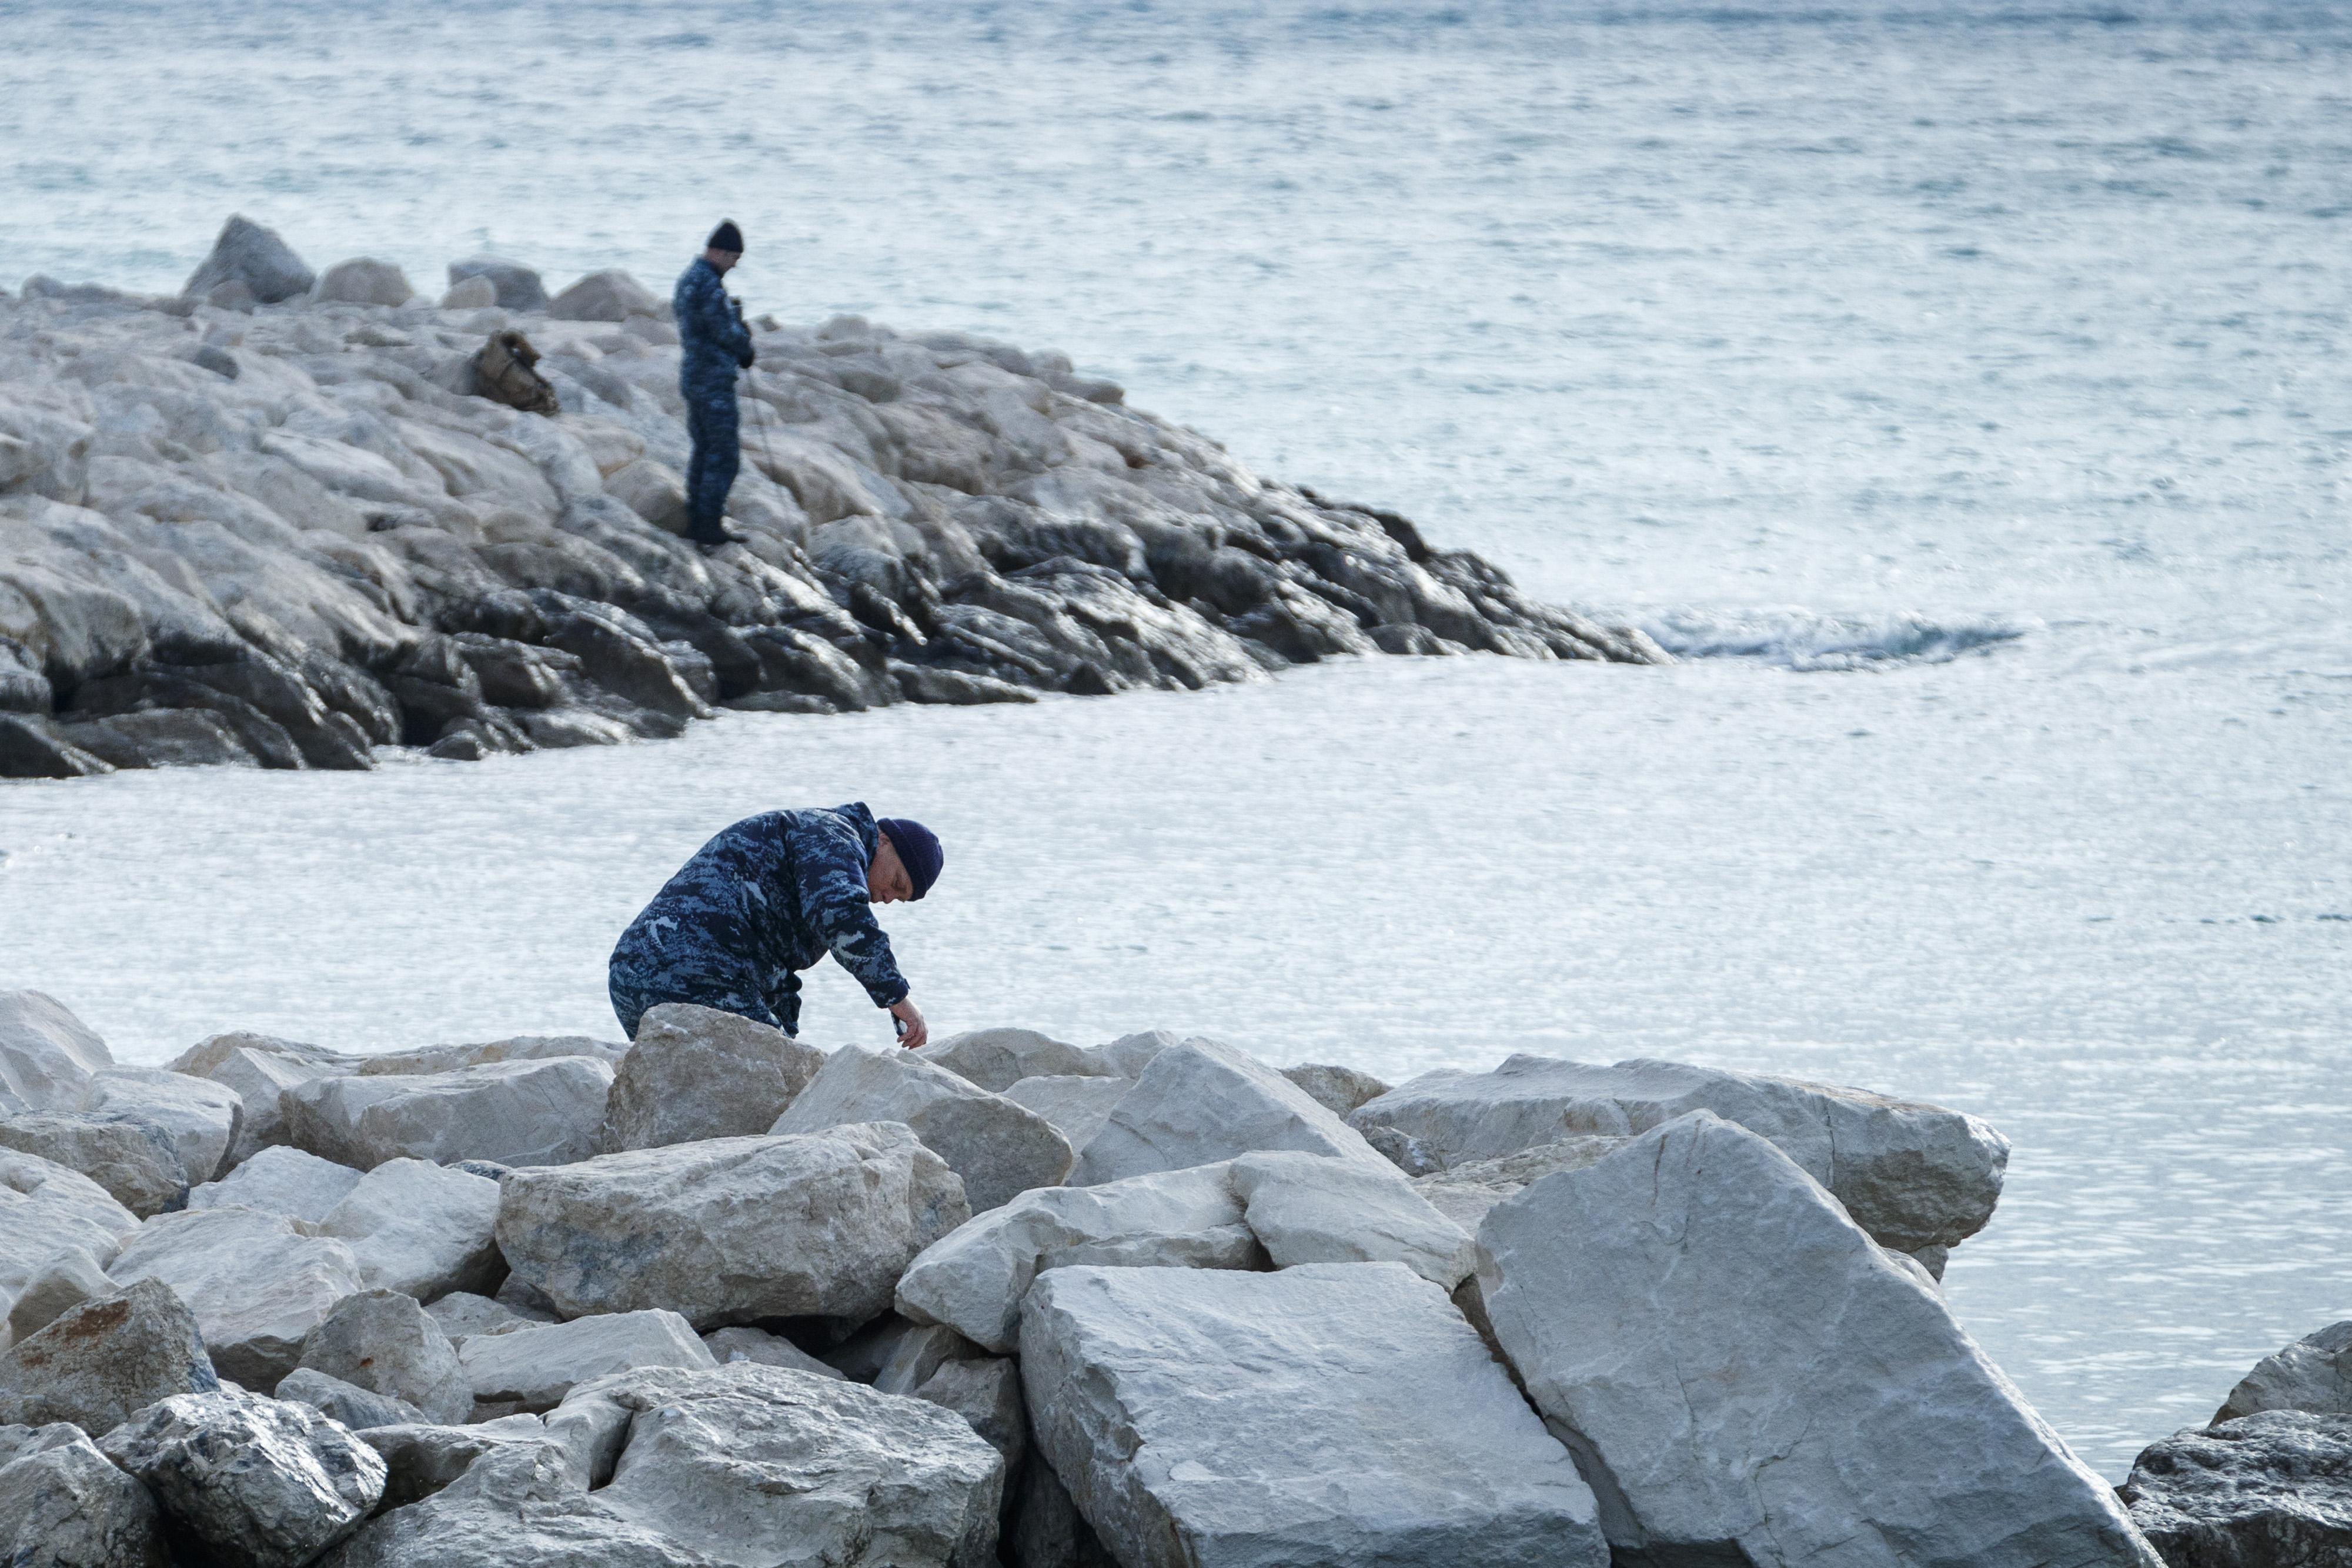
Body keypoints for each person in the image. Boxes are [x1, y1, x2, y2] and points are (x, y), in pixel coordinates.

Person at [607, 803, 941, 1046]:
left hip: (637, 973)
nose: (887, 898)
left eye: (900, 899)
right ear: (883, 840)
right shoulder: (833, 836)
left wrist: (786, 1032)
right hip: (693, 972)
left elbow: (770, 965)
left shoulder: (814, 839)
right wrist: (899, 999)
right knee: (773, 1083)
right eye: (897, 882)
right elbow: (842, 917)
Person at [673, 220, 757, 551]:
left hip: (694, 375)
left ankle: (697, 518)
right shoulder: (709, 285)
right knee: (724, 454)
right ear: (720, 252)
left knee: (704, 449)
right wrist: (745, 347)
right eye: (733, 259)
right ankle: (709, 524)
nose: (734, 266)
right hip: (713, 380)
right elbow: (723, 331)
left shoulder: (689, 280)